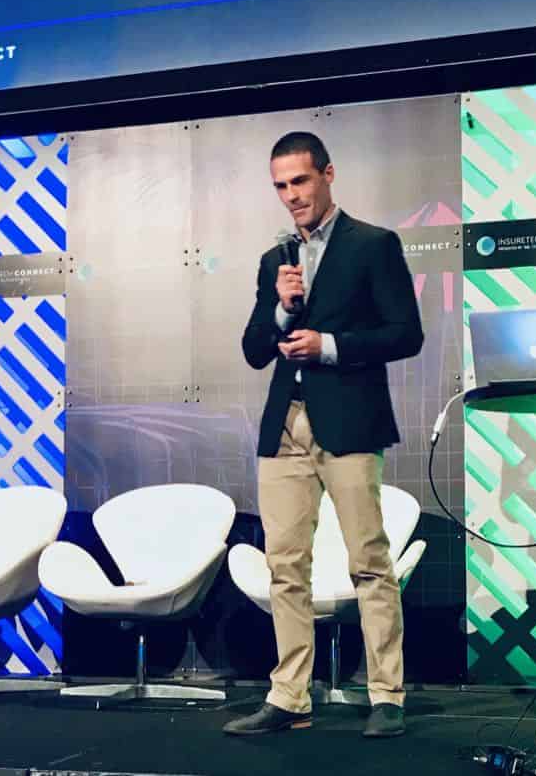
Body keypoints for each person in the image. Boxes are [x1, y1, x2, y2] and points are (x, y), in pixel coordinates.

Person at [224, 131, 423, 739]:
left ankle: (386, 694)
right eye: (281, 186)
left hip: (349, 420)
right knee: (285, 565)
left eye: (300, 181)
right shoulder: (274, 260)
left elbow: (406, 334)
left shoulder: (373, 245)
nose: (291, 195)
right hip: (284, 424)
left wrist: (329, 346)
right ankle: (290, 696)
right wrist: (282, 310)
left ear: (327, 175)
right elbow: (255, 349)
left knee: (369, 561)